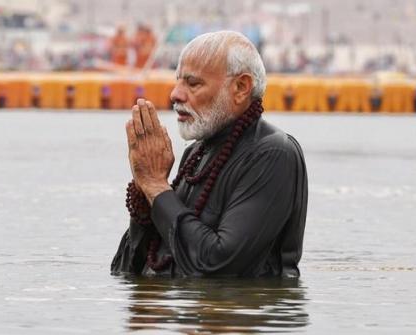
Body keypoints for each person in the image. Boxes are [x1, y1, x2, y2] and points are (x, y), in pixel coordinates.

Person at [111, 31, 308, 278]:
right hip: (183, 310)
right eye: (178, 81)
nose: (175, 94)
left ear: (240, 87)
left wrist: (156, 186)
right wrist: (144, 195)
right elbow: (124, 270)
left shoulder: (274, 154)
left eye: (193, 83)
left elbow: (218, 267)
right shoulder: (196, 154)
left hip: (240, 313)